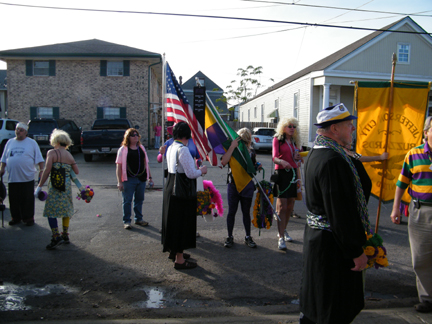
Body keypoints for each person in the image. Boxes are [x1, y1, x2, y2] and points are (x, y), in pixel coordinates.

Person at [300, 103, 370, 324]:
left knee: (319, 302)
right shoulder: (333, 161)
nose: (353, 129)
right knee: (331, 308)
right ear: (334, 129)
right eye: (349, 126)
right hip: (333, 246)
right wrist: (355, 250)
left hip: (320, 240)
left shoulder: (319, 153)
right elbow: (340, 213)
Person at [390, 115, 432, 313]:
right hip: (420, 211)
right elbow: (402, 183)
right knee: (421, 258)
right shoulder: (413, 154)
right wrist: (395, 207)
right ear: (426, 132)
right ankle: (427, 299)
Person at [162, 122, 207, 270]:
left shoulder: (170, 148)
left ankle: (174, 252)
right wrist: (202, 170)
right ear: (187, 134)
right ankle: (180, 260)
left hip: (171, 187)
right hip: (182, 191)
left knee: (173, 223)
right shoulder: (183, 149)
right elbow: (190, 173)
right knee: (182, 224)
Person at [35, 129, 79, 249]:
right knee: (66, 210)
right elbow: (76, 171)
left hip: (55, 187)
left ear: (56, 141)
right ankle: (65, 234)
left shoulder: (52, 153)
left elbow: (47, 170)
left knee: (51, 211)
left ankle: (56, 236)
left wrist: (39, 186)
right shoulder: (69, 155)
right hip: (66, 188)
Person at [222, 128, 260, 248]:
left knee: (246, 212)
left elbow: (252, 168)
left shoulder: (252, 152)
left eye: (245, 139)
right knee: (231, 212)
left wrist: (257, 167)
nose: (243, 141)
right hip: (233, 184)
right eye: (241, 139)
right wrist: (232, 147)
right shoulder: (233, 150)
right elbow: (223, 162)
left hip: (247, 185)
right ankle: (229, 236)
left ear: (248, 140)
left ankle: (248, 236)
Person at [0, 122, 44, 226]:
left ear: (25, 132)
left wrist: (41, 171)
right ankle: (16, 217)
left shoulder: (32, 143)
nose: (18, 132)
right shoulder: (10, 142)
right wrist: (2, 168)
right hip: (13, 177)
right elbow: (4, 158)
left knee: (27, 199)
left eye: (21, 130)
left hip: (27, 177)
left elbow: (39, 159)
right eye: (17, 129)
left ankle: (28, 218)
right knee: (14, 199)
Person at [272, 117, 302, 250]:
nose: (292, 128)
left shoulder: (295, 141)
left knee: (290, 206)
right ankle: (280, 236)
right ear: (283, 127)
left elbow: (300, 159)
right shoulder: (277, 139)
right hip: (282, 174)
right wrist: (282, 162)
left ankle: (283, 230)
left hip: (294, 173)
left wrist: (299, 158)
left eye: (294, 126)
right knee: (282, 206)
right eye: (289, 126)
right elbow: (274, 158)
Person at [116, 128, 152, 230]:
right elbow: (118, 166)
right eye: (133, 135)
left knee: (139, 200)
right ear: (128, 137)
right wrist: (119, 182)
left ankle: (139, 219)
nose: (135, 136)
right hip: (128, 180)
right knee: (127, 201)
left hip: (141, 178)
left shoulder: (141, 148)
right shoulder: (123, 150)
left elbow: (146, 163)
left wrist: (150, 177)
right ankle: (127, 221)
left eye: (137, 135)